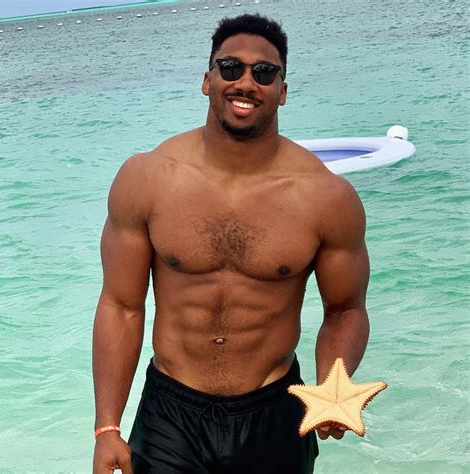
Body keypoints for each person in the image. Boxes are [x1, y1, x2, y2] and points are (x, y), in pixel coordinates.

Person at [92, 14, 370, 474]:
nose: (245, 82)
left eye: (264, 73)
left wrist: (333, 383)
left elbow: (346, 309)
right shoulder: (147, 179)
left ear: (282, 90)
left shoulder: (326, 197)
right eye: (230, 68)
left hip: (276, 409)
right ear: (207, 80)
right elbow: (121, 306)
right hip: (170, 413)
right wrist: (107, 428)